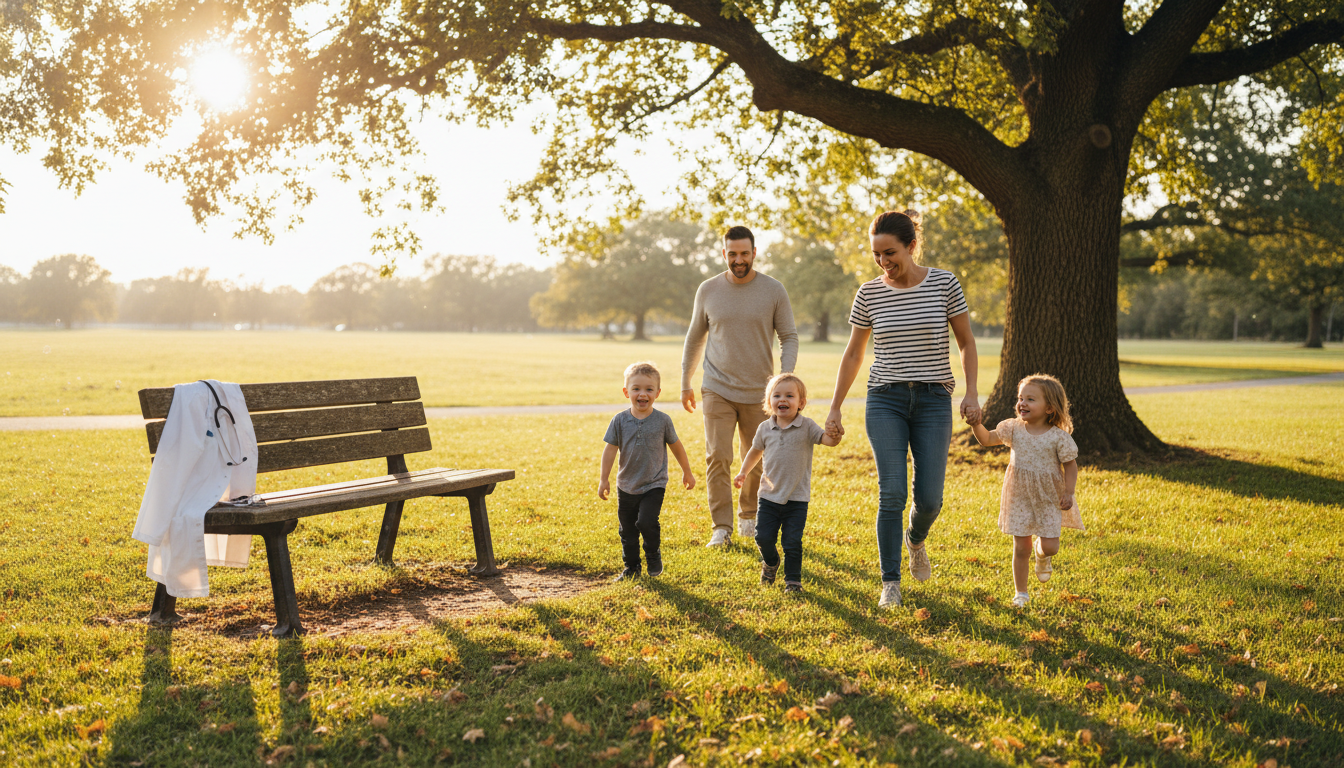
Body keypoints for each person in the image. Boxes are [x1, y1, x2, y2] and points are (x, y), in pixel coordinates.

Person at [826, 209, 982, 610]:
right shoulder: (869, 293)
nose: (883, 262)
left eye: (890, 252)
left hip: (933, 400)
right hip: (885, 398)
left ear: (911, 246)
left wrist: (971, 392)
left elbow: (965, 341)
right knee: (891, 492)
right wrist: (835, 408)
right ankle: (890, 582)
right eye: (876, 254)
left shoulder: (945, 283)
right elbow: (854, 353)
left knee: (930, 499)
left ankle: (915, 539)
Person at [681, 225, 799, 547]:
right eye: (732, 254)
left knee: (756, 456)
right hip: (716, 386)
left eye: (744, 253)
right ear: (724, 254)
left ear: (754, 253)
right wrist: (685, 381)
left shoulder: (773, 290)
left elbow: (788, 335)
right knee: (717, 455)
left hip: (760, 393)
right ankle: (721, 527)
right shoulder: (708, 290)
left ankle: (749, 516)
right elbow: (695, 337)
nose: (738, 259)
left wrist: (783, 379)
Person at [967, 374, 1082, 607]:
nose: (1022, 403)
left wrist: (1068, 492)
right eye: (1021, 398)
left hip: (1049, 496)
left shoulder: (1058, 437)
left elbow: (1070, 465)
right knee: (1021, 547)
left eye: (1030, 399)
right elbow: (987, 439)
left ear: (1049, 408)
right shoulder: (1014, 429)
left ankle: (1042, 554)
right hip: (1019, 495)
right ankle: (1021, 593)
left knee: (1051, 546)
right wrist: (975, 424)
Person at [734, 373, 842, 593]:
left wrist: (835, 435)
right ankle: (771, 562)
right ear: (769, 402)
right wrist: (743, 472)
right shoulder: (765, 428)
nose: (783, 399)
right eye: (777, 395)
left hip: (797, 498)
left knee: (792, 542)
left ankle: (793, 581)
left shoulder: (807, 426)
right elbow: (755, 451)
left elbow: (827, 441)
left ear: (801, 403)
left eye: (789, 395)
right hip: (768, 495)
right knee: (763, 537)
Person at [599, 362, 696, 581]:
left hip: (654, 483)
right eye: (636, 389)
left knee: (646, 522)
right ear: (626, 392)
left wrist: (687, 472)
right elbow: (610, 450)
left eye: (649, 389)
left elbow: (676, 446)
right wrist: (603, 479)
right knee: (627, 532)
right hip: (626, 485)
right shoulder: (619, 421)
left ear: (657, 393)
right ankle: (632, 567)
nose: (642, 394)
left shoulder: (663, 421)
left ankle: (653, 554)